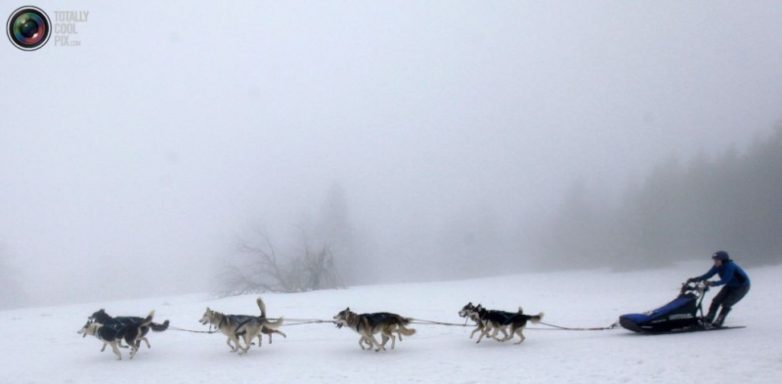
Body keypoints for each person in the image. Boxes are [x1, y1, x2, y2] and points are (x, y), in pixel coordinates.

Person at [688, 250, 750, 327]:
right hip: (730, 285)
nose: (715, 262)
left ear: (723, 260)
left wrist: (712, 283)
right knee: (716, 300)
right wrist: (696, 279)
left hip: (742, 287)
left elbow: (724, 280)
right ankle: (709, 318)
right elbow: (708, 274)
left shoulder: (730, 267)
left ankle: (719, 321)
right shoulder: (717, 266)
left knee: (727, 303)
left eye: (717, 260)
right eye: (714, 260)